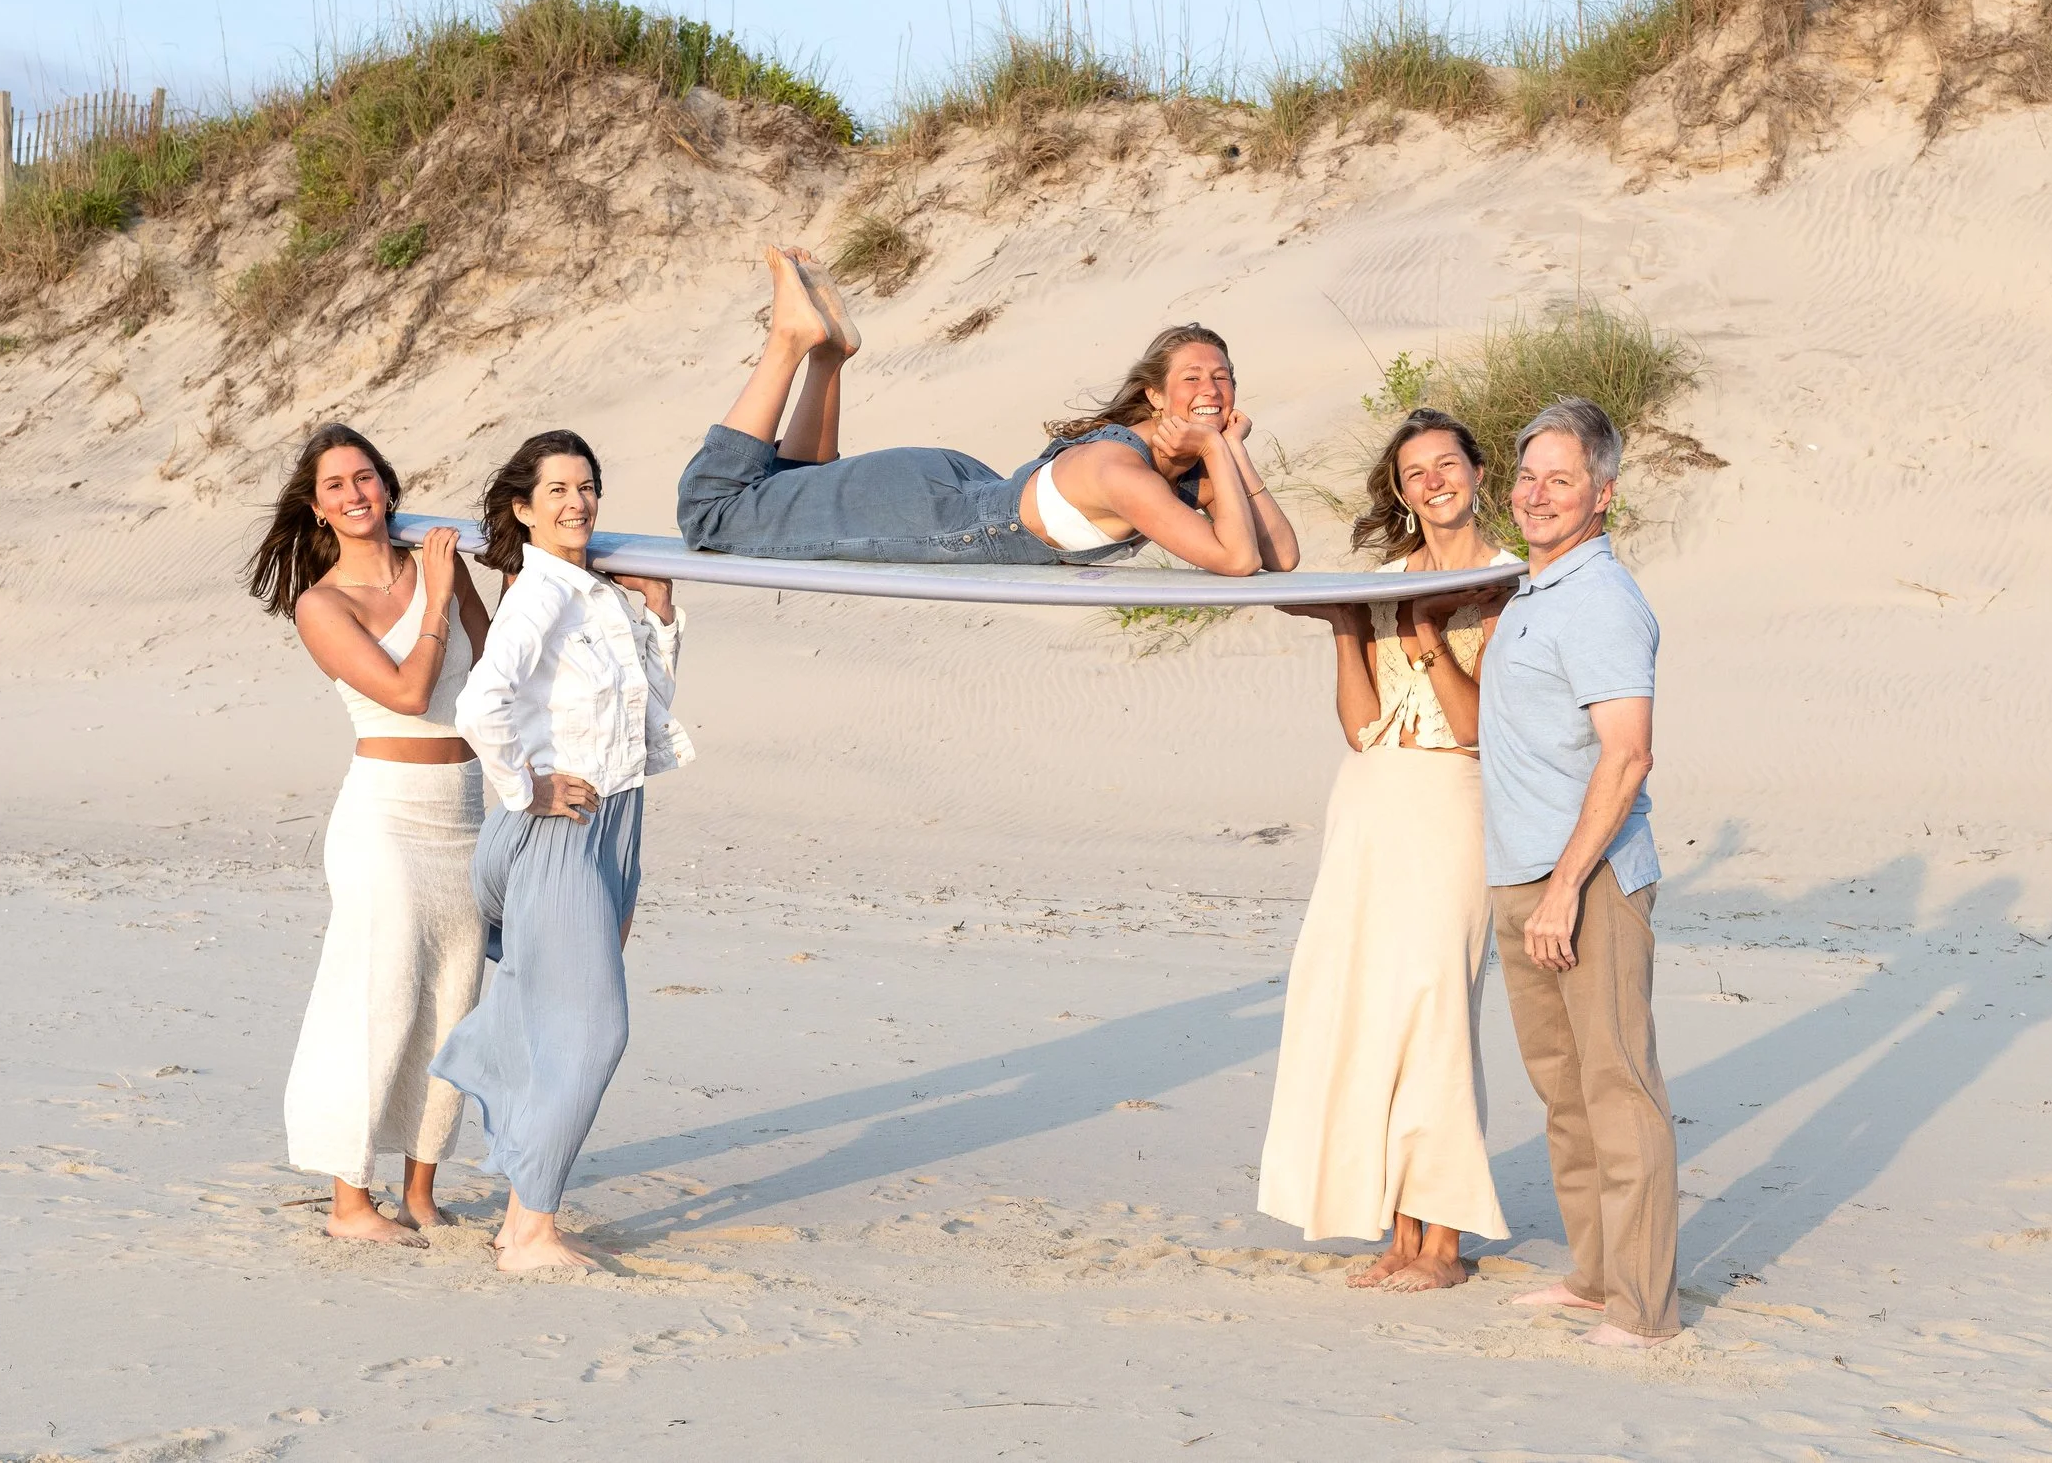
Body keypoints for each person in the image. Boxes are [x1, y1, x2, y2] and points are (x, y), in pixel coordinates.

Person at [1259, 409, 1516, 1290]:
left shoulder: (1513, 581)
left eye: (1450, 463)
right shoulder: (1381, 580)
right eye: (1416, 472)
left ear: (1479, 473)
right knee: (1367, 1010)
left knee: (1436, 1009)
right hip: (1369, 801)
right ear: (1400, 492)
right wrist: (1346, 621)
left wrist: (1426, 632)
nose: (1435, 480)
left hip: (1454, 802)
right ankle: (1400, 1232)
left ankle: (1444, 1242)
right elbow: (1364, 723)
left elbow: (1482, 726)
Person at [431, 429, 694, 1272]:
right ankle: (535, 1233)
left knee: (546, 1016)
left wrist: (656, 614)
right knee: (593, 1028)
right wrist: (529, 787)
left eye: (588, 487)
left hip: (617, 823)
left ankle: (517, 1218)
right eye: (558, 491)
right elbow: (481, 706)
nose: (578, 503)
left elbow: (646, 706)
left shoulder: (595, 592)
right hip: (560, 827)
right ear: (523, 508)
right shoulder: (539, 592)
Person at [675, 246, 1299, 575]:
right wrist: (1222, 448)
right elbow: (1237, 560)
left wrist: (1229, 455)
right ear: (1156, 396)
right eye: (1192, 376)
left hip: (952, 486)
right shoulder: (1123, 471)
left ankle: (829, 359)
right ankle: (787, 342)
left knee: (789, 490)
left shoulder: (1179, 469)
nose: (1211, 388)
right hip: (932, 509)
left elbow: (1281, 557)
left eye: (1223, 377)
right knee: (712, 512)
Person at [247, 422, 493, 1247]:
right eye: (335, 486)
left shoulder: (442, 572)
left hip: (461, 808)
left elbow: (496, 677)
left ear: (388, 485)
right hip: (384, 815)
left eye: (365, 477)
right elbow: (410, 690)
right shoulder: (322, 605)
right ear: (317, 509)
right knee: (379, 997)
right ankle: (351, 1200)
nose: (354, 494)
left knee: (454, 1002)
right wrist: (435, 590)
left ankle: (420, 1190)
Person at [1476, 396, 1679, 1348]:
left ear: (1603, 493)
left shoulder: (1600, 597)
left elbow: (1628, 754)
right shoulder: (1535, 588)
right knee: (1564, 1092)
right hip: (1523, 875)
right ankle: (1595, 1276)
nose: (1539, 494)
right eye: (1528, 476)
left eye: (1562, 479)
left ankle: (1643, 1310)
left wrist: (1564, 889)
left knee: (1618, 1088)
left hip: (1586, 881)